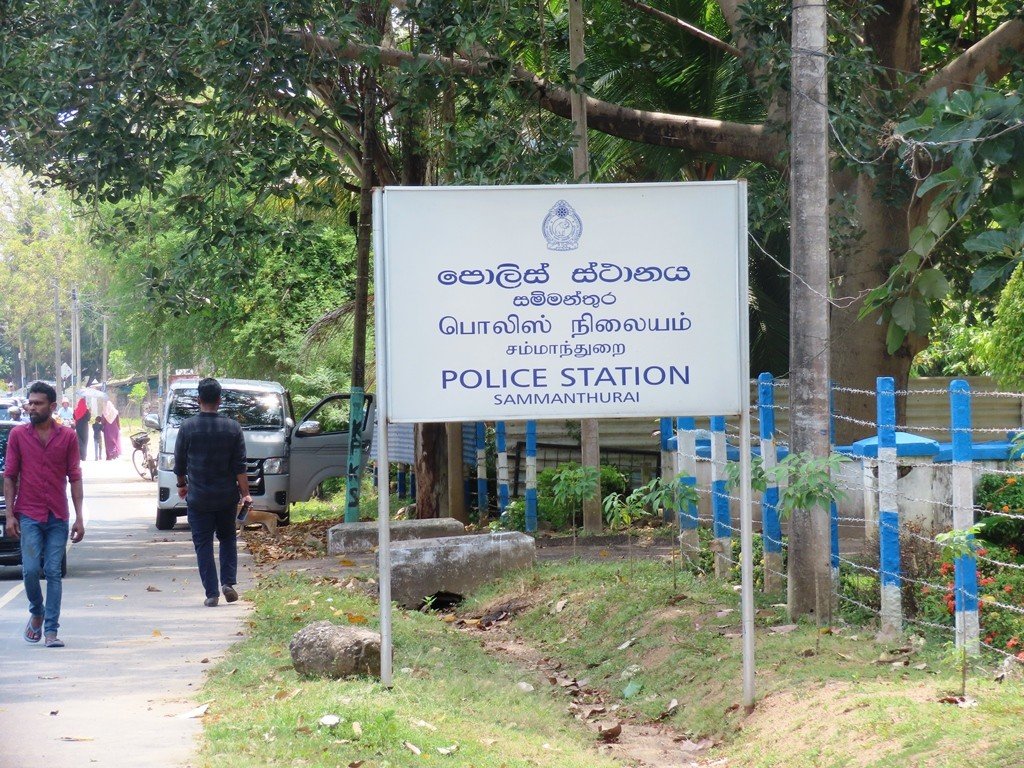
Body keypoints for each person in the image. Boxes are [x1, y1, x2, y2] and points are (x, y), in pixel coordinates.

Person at [2, 381, 85, 647]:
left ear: (52, 406)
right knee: (30, 570)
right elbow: (10, 476)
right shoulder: (18, 436)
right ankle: (37, 612)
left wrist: (80, 517)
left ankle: (51, 631)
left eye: (38, 403)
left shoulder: (68, 437)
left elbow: (75, 477)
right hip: (29, 514)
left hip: (57, 515)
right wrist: (10, 515)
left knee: (52, 571)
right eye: (30, 402)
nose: (32, 407)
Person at [174, 377, 251, 607]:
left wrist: (181, 485)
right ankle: (228, 582)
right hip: (226, 497)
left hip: (198, 498)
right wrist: (245, 493)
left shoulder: (187, 427)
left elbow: (179, 463)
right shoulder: (233, 428)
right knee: (227, 538)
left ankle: (211, 593)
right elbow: (240, 466)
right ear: (219, 400)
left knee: (203, 544)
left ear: (199, 399)